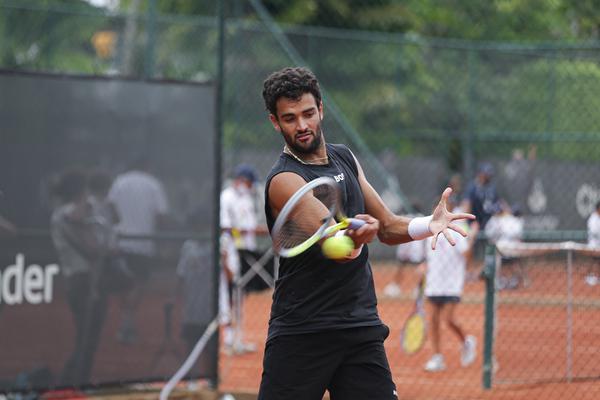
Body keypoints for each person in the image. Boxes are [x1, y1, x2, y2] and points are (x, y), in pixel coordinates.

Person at [258, 66, 474, 400]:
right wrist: (355, 242)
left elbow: (386, 227)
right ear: (275, 121)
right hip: (303, 332)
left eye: (308, 114)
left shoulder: (344, 156)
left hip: (359, 327)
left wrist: (428, 225)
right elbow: (334, 241)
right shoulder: (285, 180)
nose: (302, 126)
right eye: (289, 118)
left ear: (321, 110)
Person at [50, 169, 109, 386]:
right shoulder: (66, 215)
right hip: (81, 279)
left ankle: (77, 380)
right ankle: (71, 381)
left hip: (84, 279)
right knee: (86, 336)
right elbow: (91, 248)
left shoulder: (75, 213)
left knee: (89, 335)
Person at [108, 156, 170, 344]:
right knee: (138, 283)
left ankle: (127, 322)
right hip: (143, 243)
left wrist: (119, 222)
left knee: (125, 284)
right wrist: (162, 241)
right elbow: (161, 215)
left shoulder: (119, 181)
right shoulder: (153, 184)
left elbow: (110, 205)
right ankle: (127, 322)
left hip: (121, 241)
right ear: (147, 166)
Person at [421, 198, 480, 372]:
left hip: (452, 282)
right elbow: (429, 257)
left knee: (449, 319)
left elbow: (466, 254)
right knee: (432, 320)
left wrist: (472, 239)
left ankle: (467, 342)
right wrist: (423, 269)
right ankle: (437, 357)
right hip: (433, 282)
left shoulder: (456, 231)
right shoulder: (429, 231)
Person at [220, 164, 269, 353]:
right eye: (248, 182)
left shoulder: (247, 199)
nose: (250, 187)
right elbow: (226, 228)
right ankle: (228, 339)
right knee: (227, 293)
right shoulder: (227, 197)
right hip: (230, 250)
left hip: (246, 253)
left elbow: (249, 226)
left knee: (240, 294)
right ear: (241, 180)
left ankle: (238, 339)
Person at [485, 201, 527, 290]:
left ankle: (516, 280)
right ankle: (501, 280)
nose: (497, 213)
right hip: (499, 247)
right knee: (498, 263)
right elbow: (488, 233)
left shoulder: (512, 219)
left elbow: (517, 233)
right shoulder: (494, 219)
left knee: (514, 263)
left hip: (512, 247)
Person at [461, 162, 500, 230]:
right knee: (474, 227)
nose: (488, 177)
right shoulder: (473, 187)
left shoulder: (492, 188)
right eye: (486, 174)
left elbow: (499, 202)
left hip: (490, 220)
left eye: (489, 175)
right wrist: (465, 221)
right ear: (480, 174)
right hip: (474, 220)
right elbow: (466, 203)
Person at [584, 201, 600, 285]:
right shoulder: (593, 218)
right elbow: (594, 232)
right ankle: (589, 277)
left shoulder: (598, 217)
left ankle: (595, 276)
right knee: (593, 261)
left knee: (597, 262)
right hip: (593, 245)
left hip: (598, 245)